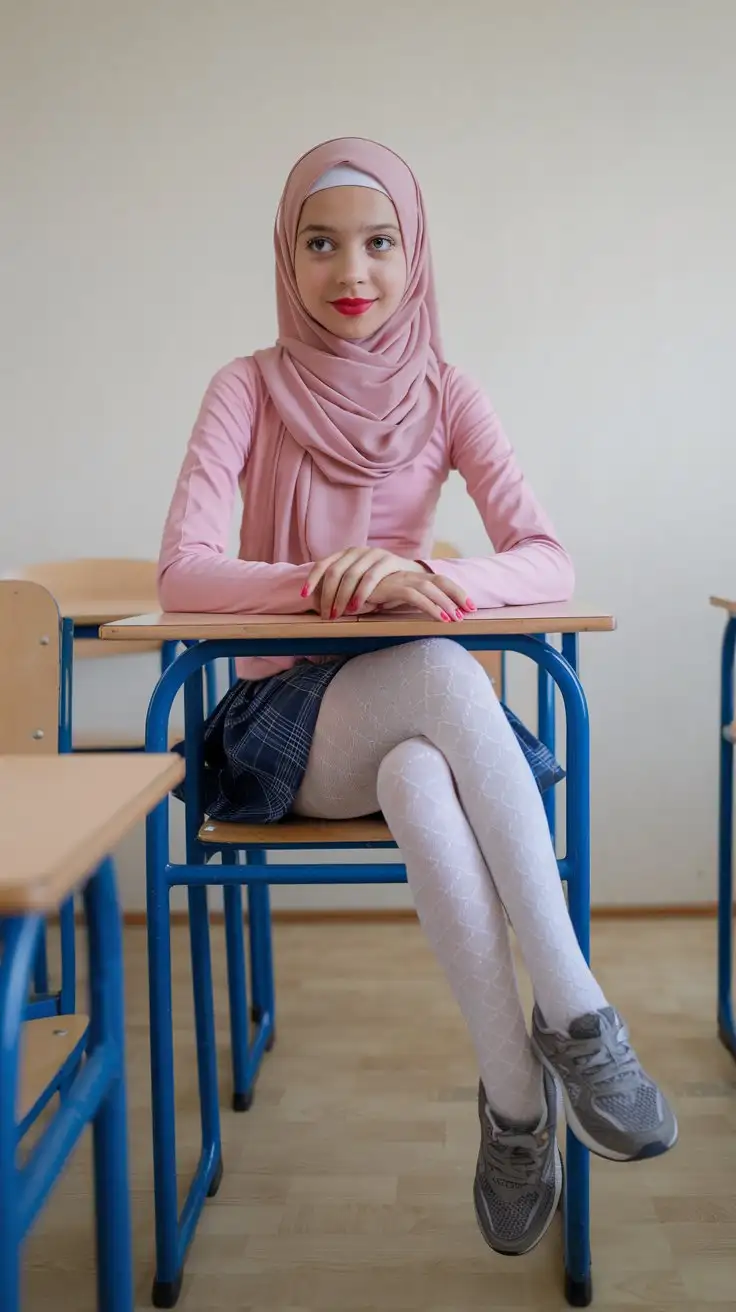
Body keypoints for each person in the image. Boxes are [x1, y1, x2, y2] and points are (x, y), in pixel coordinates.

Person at [158, 137, 677, 1258]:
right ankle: (579, 1014)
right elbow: (180, 573)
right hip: (282, 730)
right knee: (446, 674)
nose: (354, 268)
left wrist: (429, 578)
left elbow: (548, 558)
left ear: (415, 251)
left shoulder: (446, 390)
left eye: (380, 241)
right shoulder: (244, 385)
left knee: (420, 762)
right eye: (321, 242)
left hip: (412, 736)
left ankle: (514, 1103)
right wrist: (319, 585)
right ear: (286, 258)